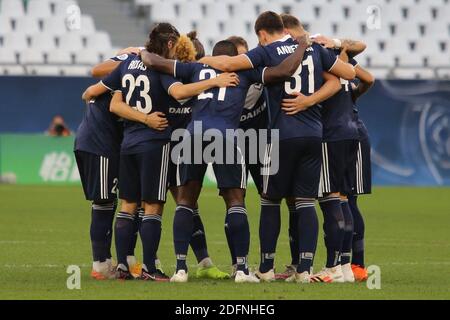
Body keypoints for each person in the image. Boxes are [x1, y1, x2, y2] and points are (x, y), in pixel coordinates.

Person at [199, 11, 355, 283]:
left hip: (280, 135)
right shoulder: (313, 49)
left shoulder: (266, 52)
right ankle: (305, 269)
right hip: (313, 133)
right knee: (305, 200)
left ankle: (267, 268)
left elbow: (228, 64)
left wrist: (202, 60)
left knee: (270, 199)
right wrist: (309, 100)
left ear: (261, 34)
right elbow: (348, 74)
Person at [141, 35, 310, 283]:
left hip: (192, 135)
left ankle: (180, 269)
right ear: (234, 58)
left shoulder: (194, 68)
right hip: (225, 136)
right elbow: (284, 71)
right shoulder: (246, 72)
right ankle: (241, 270)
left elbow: (154, 61)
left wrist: (141, 52)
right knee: (235, 200)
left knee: (186, 201)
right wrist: (303, 46)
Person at [82, 23, 238, 281]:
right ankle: (150, 267)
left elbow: (106, 99)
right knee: (154, 206)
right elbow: (178, 91)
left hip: (129, 144)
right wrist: (215, 80)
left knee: (128, 206)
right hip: (156, 145)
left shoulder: (127, 64)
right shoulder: (162, 71)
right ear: (169, 46)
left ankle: (124, 265)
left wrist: (140, 118)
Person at [279, 14, 368, 283]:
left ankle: (333, 267)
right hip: (352, 130)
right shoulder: (328, 50)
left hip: (330, 133)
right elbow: (365, 75)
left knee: (331, 201)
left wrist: (308, 102)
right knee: (343, 199)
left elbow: (342, 79)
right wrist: (340, 46)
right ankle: (346, 267)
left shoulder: (313, 50)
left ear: (289, 33)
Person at [75, 48, 140, 280]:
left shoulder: (128, 70)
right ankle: (101, 264)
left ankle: (118, 260)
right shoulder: (132, 62)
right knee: (104, 202)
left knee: (115, 201)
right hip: (99, 142)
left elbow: (89, 91)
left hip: (102, 142)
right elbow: (96, 72)